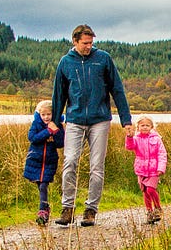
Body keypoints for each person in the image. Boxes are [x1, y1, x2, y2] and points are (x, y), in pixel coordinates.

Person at [51, 24, 133, 227]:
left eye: (91, 43)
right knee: (70, 161)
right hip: (75, 120)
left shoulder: (103, 59)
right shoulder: (66, 62)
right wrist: (54, 120)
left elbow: (117, 90)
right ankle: (67, 208)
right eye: (85, 43)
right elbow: (59, 94)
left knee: (97, 166)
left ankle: (90, 210)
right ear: (75, 41)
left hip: (100, 119)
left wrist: (126, 120)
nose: (89, 46)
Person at [22, 100, 63, 226]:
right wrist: (48, 132)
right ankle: (45, 207)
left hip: (49, 161)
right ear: (39, 115)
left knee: (44, 185)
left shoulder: (58, 125)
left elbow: (61, 143)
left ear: (53, 114)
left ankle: (42, 212)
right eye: (43, 115)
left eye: (49, 114)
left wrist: (55, 132)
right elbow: (33, 138)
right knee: (40, 186)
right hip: (35, 160)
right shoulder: (36, 125)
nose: (46, 117)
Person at [125, 115, 168, 224]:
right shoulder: (136, 139)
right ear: (138, 127)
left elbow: (162, 154)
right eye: (142, 125)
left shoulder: (157, 139)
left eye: (147, 125)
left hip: (154, 169)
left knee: (150, 189)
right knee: (145, 191)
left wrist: (161, 168)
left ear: (152, 127)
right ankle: (149, 211)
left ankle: (158, 208)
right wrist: (129, 137)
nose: (145, 127)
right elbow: (129, 147)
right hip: (141, 169)